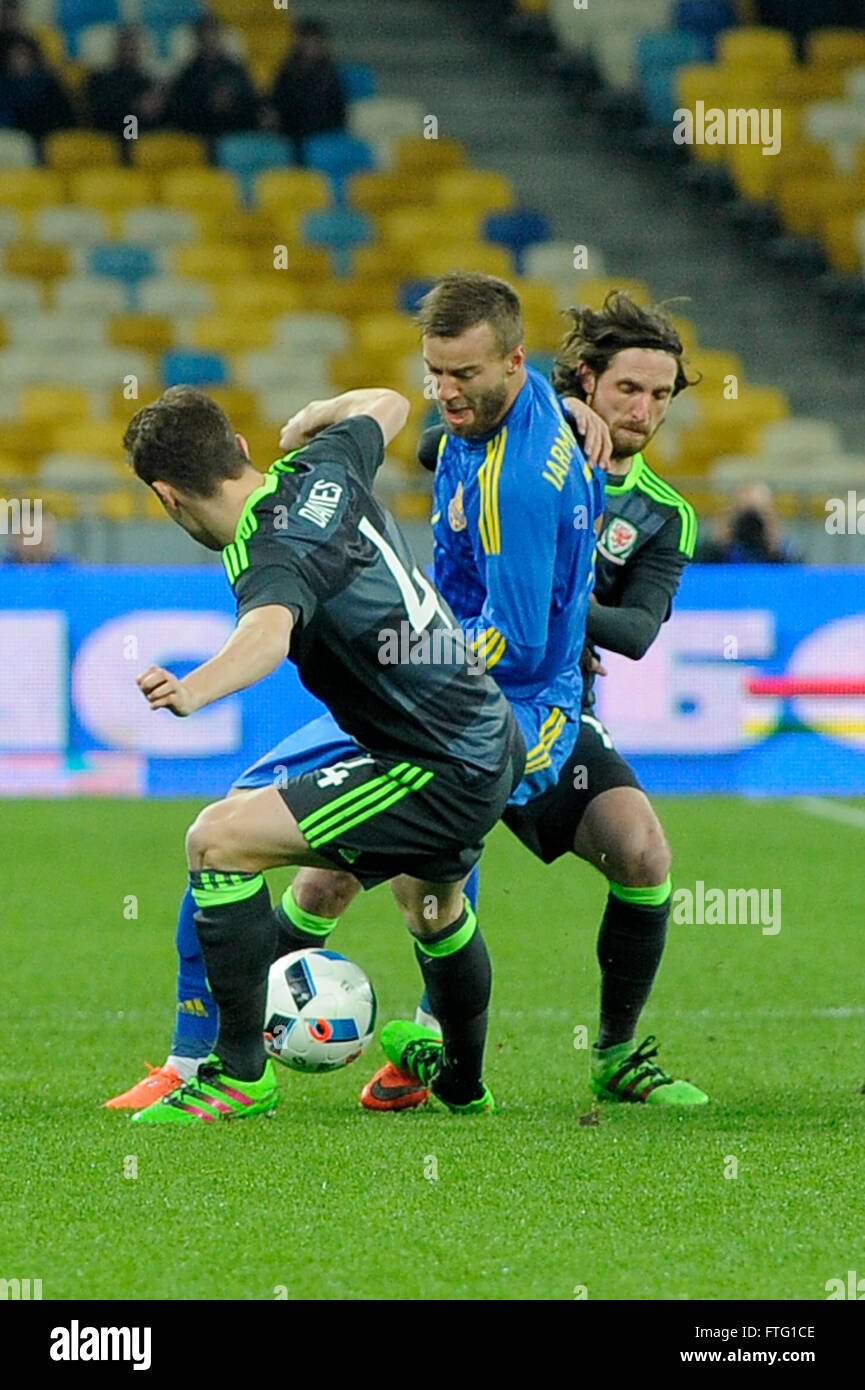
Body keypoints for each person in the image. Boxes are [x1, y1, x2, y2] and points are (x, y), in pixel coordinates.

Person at [104, 275, 604, 1113]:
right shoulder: (319, 464)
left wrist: (192, 692)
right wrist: (312, 417)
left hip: (433, 760)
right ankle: (466, 1087)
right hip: (481, 733)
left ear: (165, 496)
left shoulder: (272, 557)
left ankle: (236, 1074)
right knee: (433, 906)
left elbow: (264, 634)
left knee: (218, 840)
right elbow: (383, 405)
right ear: (237, 444)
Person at [166, 16, 258, 140]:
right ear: (198, 41)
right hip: (203, 137)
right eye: (205, 37)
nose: (210, 42)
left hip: (237, 134)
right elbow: (180, 112)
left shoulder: (236, 70)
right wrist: (208, 103)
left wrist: (232, 103)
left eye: (214, 36)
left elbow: (251, 102)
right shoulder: (189, 74)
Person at [267, 17, 346, 160]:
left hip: (321, 140)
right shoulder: (286, 73)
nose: (311, 46)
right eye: (307, 40)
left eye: (316, 41)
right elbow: (277, 106)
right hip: (290, 139)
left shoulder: (332, 76)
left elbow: (338, 115)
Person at [85, 28, 165, 139]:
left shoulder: (148, 83)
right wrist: (137, 107)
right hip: (113, 140)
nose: (130, 50)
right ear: (117, 48)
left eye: (134, 47)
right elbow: (100, 115)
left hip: (146, 143)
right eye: (126, 46)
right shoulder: (101, 81)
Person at [696, 481, 801, 564]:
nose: (750, 524)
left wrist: (777, 547)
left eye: (757, 514)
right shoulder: (719, 548)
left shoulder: (782, 550)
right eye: (744, 512)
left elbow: (798, 576)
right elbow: (695, 573)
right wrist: (717, 546)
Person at [0, 36, 75, 141]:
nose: (18, 61)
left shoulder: (48, 85)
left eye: (23, 56)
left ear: (33, 58)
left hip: (53, 138)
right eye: (13, 57)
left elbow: (66, 120)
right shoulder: (6, 88)